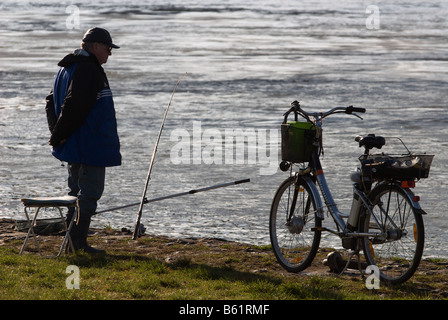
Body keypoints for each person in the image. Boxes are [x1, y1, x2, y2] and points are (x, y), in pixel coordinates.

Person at [45, 27, 122, 254]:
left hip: (75, 144)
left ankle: (72, 243)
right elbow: (75, 105)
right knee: (89, 193)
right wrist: (58, 135)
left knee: (75, 192)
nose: (110, 54)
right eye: (108, 49)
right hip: (90, 145)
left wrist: (57, 135)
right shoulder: (88, 69)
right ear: (96, 46)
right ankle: (77, 244)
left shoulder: (68, 67)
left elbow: (51, 101)